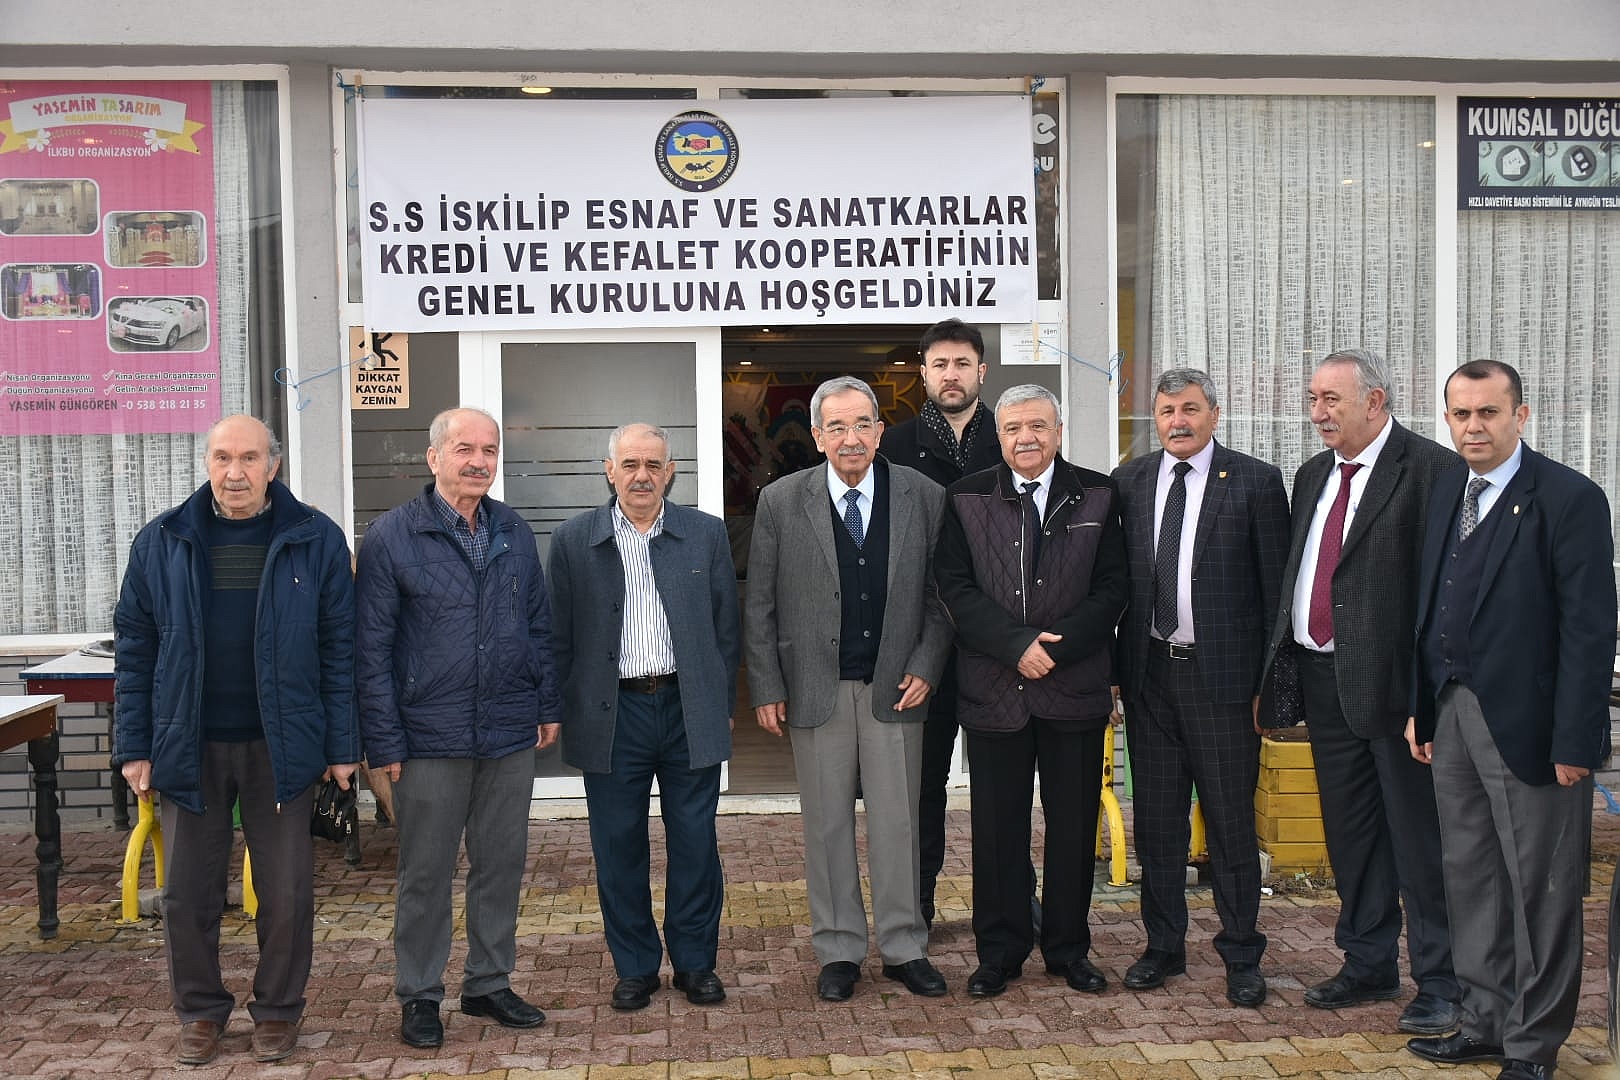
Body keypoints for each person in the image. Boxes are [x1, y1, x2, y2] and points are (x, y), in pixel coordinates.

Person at [113, 415, 358, 1066]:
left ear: (273, 466)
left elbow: (340, 649)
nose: (235, 472)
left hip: (283, 745)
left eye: (249, 458)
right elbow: (135, 650)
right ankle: (199, 1012)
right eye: (222, 457)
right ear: (207, 462)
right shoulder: (163, 540)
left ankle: (277, 1011)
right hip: (188, 744)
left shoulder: (315, 539)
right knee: (186, 895)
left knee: (287, 893)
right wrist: (134, 746)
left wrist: (342, 747)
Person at [1404, 361, 1615, 1080]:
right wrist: (1422, 708)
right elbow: (1429, 607)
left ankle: (1533, 1045)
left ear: (1521, 416)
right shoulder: (1446, 492)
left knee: (1541, 892)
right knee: (1470, 877)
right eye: (1461, 414)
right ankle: (1484, 1021)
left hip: (1535, 729)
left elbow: (1590, 631)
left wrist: (1577, 740)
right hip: (1453, 712)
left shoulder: (1569, 498)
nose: (1473, 427)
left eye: (1488, 413)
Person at [1259, 348, 1460, 1034]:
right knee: (1351, 834)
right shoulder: (1314, 474)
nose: (1317, 412)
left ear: (1374, 402)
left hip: (1398, 692)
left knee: (1417, 840)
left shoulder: (1432, 470)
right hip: (1325, 682)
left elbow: (1441, 593)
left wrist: (1426, 697)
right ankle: (1369, 961)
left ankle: (1441, 980)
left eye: (1330, 399)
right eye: (1313, 398)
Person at [355, 406, 561, 1049]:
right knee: (426, 873)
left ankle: (488, 984)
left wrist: (546, 703)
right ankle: (420, 994)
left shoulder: (513, 530)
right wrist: (383, 740)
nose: (479, 462)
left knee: (500, 865)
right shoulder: (391, 536)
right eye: (465, 449)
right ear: (434, 457)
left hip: (507, 731)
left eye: (489, 450)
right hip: (427, 736)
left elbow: (537, 625)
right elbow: (371, 650)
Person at [746, 375, 953, 1003]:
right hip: (817, 687)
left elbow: (943, 594)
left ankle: (904, 946)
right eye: (836, 426)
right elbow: (759, 602)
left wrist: (927, 663)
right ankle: (838, 949)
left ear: (880, 430)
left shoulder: (923, 495)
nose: (851, 437)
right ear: (816, 436)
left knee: (899, 824)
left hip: (897, 686)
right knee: (826, 826)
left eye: (862, 423)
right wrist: (765, 683)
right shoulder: (781, 500)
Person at [934, 383, 1128, 999]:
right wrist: (1015, 645)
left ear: (1059, 431)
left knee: (1073, 829)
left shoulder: (1100, 493)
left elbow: (1114, 587)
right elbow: (953, 587)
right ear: (999, 436)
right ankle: (1000, 952)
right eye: (1015, 427)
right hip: (995, 691)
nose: (1027, 438)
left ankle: (1069, 950)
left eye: (1039, 426)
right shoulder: (964, 496)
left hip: (1074, 690)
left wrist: (1055, 649)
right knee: (997, 833)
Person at [548, 422, 741, 1011]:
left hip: (688, 707)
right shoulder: (574, 541)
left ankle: (695, 964)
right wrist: (558, 708)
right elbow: (558, 637)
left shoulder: (705, 534)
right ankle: (634, 968)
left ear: (670, 472)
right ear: (609, 471)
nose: (641, 476)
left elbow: (726, 630)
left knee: (695, 843)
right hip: (613, 713)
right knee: (617, 846)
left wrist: (720, 704)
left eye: (653, 465)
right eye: (630, 464)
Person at [1112, 368, 1289, 1007]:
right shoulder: (1129, 482)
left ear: (1214, 414)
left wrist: (1270, 689)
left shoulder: (1256, 482)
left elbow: (1277, 597)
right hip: (1150, 676)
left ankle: (1242, 954)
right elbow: (1115, 586)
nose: (1177, 421)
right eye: (1166, 411)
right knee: (1157, 824)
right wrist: (1114, 676)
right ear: (1154, 419)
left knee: (1230, 824)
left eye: (1189, 409)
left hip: (1225, 685)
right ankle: (1163, 947)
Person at [878, 318, 1016, 931]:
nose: (951, 375)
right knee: (922, 786)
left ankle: (1010, 904)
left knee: (1002, 787)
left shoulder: (1009, 439)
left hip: (997, 643)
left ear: (981, 371)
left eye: (962, 363)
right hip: (920, 648)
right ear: (924, 373)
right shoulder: (894, 448)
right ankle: (917, 907)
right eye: (940, 364)